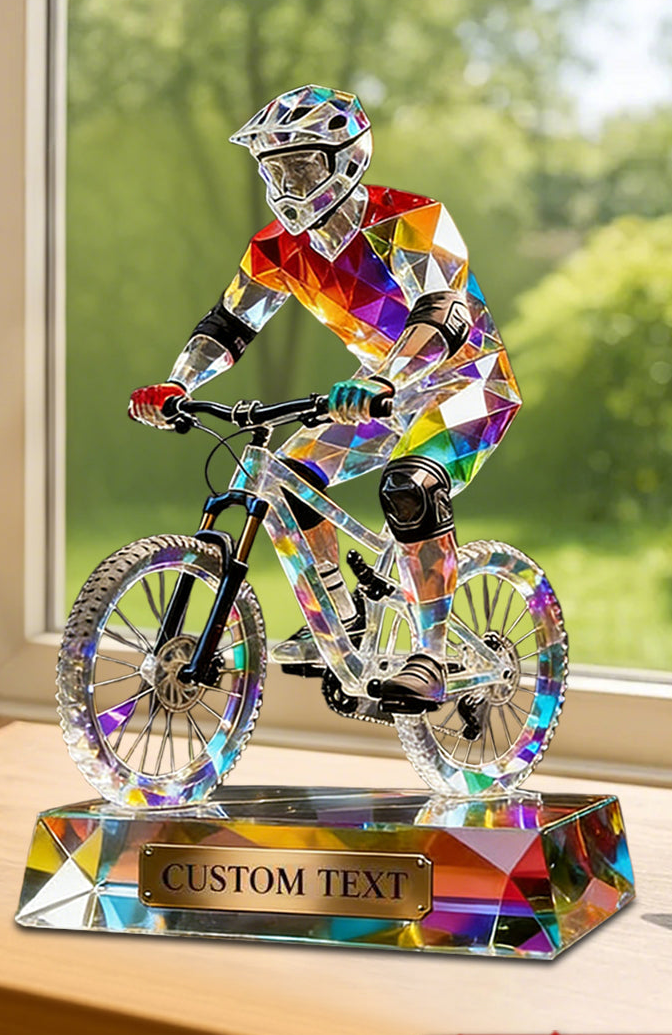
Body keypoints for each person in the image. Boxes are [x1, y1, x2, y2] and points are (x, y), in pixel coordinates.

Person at [128, 85, 520, 710]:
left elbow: (443, 311)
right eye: (275, 170)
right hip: (381, 393)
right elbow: (229, 324)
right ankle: (343, 620)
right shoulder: (277, 248)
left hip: (469, 382)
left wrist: (386, 379)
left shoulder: (410, 220)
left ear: (347, 160)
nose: (288, 184)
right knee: (282, 482)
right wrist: (179, 383)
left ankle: (431, 656)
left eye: (303, 167)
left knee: (410, 487)